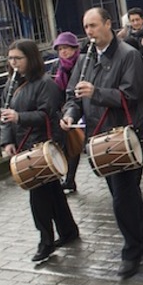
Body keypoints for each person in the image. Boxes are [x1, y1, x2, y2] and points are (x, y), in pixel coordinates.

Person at [60, 8, 143, 279]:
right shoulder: (85, 59)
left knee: (122, 197)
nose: (89, 32)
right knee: (123, 194)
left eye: (93, 25)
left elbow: (133, 94)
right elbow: (73, 94)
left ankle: (132, 250)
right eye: (85, 27)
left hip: (125, 136)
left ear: (107, 24)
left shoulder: (129, 55)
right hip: (98, 136)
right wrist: (69, 114)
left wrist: (97, 93)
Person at [1, 39, 80, 262]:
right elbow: (4, 119)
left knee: (39, 197)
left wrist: (20, 117)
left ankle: (45, 241)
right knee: (52, 192)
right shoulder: (10, 84)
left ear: (31, 58)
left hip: (44, 147)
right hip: (23, 146)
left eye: (18, 58)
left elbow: (47, 115)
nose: (13, 63)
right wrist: (6, 141)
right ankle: (68, 230)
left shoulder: (46, 83)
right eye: (10, 58)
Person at [51, 31, 82, 194]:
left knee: (76, 143)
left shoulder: (83, 62)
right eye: (60, 49)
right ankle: (70, 179)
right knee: (70, 144)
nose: (63, 52)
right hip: (66, 110)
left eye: (66, 48)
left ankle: (70, 179)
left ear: (74, 48)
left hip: (82, 106)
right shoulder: (58, 66)